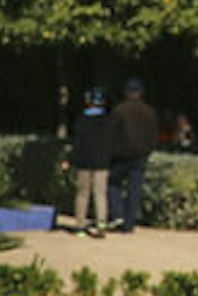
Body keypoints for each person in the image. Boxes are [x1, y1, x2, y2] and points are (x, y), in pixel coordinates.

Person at [105, 76, 162, 232]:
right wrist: (148, 150)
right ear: (141, 93)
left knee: (112, 183)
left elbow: (110, 134)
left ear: (126, 92)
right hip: (140, 155)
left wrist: (109, 152)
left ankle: (117, 214)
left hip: (121, 156)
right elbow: (154, 135)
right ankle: (129, 223)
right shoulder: (149, 112)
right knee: (134, 189)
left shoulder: (119, 111)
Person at [66, 90, 115, 234]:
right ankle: (101, 223)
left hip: (84, 162)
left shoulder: (81, 120)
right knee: (100, 193)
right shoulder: (109, 121)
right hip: (102, 161)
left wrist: (70, 160)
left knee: (82, 194)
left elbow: (78, 143)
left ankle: (80, 225)